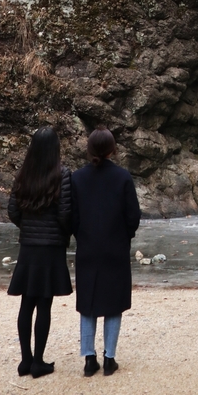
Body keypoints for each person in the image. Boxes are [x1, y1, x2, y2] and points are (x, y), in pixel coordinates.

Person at [71, 127, 141, 377]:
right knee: (114, 304)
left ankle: (89, 359)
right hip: (116, 248)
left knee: (87, 303)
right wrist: (124, 235)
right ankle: (109, 359)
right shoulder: (122, 177)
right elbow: (133, 216)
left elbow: (72, 217)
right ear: (113, 150)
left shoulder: (77, 178)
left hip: (88, 248)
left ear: (89, 149)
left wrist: (82, 235)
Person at [7, 126, 72, 378]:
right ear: (55, 149)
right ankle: (39, 362)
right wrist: (64, 234)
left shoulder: (23, 175)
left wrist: (27, 227)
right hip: (51, 249)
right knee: (44, 304)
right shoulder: (62, 175)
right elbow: (66, 213)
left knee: (26, 303)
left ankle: (25, 360)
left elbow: (13, 211)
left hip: (28, 248)